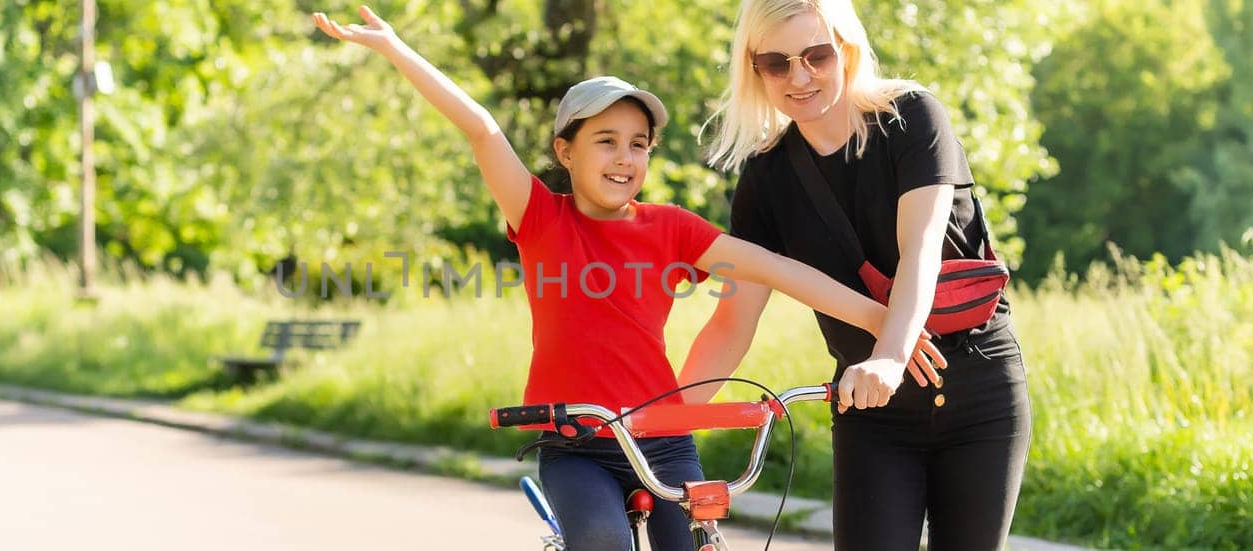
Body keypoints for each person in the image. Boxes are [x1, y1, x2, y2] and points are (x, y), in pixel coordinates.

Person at [313, 7, 941, 549]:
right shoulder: (540, 218)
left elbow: (781, 271)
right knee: (601, 540)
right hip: (575, 440)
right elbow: (482, 128)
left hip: (661, 440)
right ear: (566, 151)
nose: (624, 158)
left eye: (638, 144)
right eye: (605, 141)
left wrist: (890, 329)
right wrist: (395, 48)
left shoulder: (672, 229)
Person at [678, 1, 1032, 549]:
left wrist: (891, 355)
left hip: (978, 390)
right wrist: (664, 423)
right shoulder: (766, 178)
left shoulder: (912, 117)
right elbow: (732, 321)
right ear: (755, 70)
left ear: (846, 49)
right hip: (873, 414)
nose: (800, 77)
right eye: (777, 63)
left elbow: (920, 251)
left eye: (816, 55)